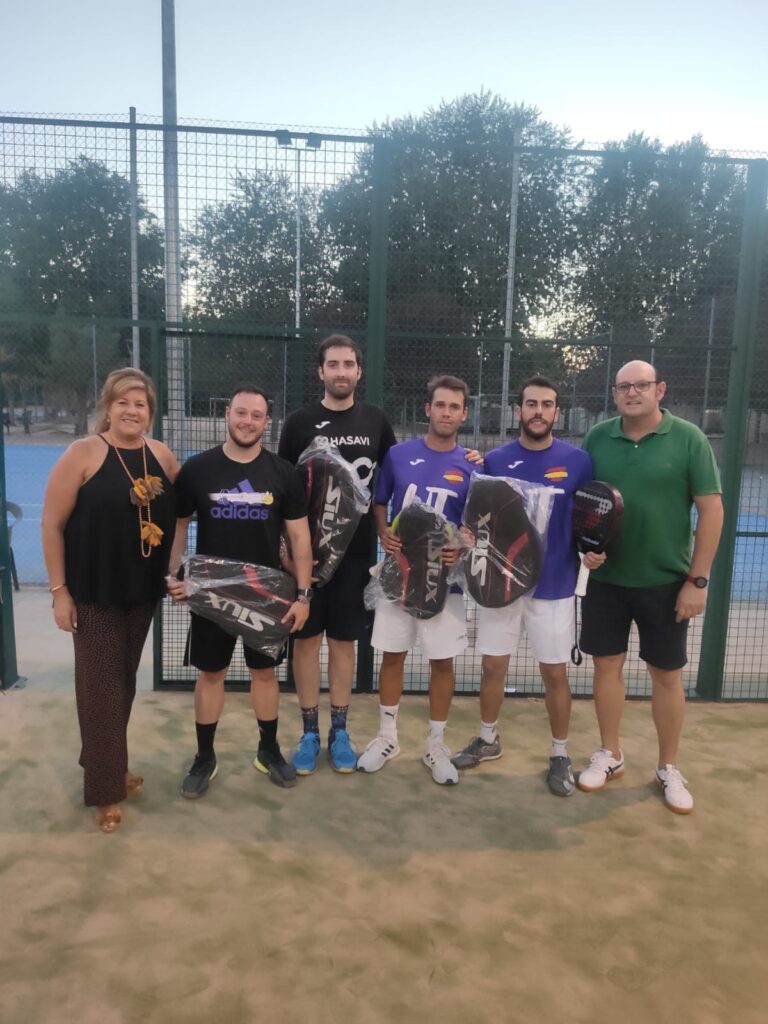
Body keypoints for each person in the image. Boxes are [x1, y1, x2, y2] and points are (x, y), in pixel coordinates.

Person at [577, 360, 723, 814]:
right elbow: (584, 505)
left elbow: (711, 513)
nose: (632, 392)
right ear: (615, 393)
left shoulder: (689, 439)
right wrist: (586, 549)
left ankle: (667, 766)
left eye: (641, 385)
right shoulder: (598, 437)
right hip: (607, 581)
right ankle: (610, 753)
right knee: (606, 668)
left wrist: (697, 581)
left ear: (659, 389)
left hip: (665, 582)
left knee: (667, 676)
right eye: (623, 386)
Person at [41, 368, 178, 833]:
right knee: (99, 690)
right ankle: (105, 791)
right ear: (108, 406)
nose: (131, 410)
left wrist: (175, 568)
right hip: (93, 593)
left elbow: (181, 513)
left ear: (150, 412)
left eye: (140, 403)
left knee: (120, 685)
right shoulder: (82, 453)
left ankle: (107, 763)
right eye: (123, 402)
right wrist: (60, 594)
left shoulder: (161, 455)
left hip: (141, 592)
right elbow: (51, 525)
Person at [452, 375, 603, 795]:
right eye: (531, 404)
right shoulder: (495, 461)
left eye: (547, 404)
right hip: (501, 584)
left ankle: (559, 754)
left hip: (554, 586)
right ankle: (487, 739)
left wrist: (594, 550)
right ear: (519, 410)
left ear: (557, 412)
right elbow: (478, 518)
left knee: (554, 674)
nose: (539, 411)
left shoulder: (579, 461)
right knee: (491, 666)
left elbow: (591, 519)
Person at [168, 385, 313, 797]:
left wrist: (303, 597)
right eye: (241, 413)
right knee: (211, 674)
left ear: (267, 422)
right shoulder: (197, 470)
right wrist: (173, 575)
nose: (248, 421)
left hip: (265, 597)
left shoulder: (284, 474)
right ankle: (204, 757)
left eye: (257, 415)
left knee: (264, 674)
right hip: (211, 595)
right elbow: (179, 526)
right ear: (226, 414)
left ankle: (268, 750)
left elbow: (301, 541)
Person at [278, 335, 397, 774]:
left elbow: (396, 473)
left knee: (343, 642)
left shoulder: (376, 421)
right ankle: (309, 731)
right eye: (333, 364)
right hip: (306, 556)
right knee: (306, 640)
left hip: (355, 555)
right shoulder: (298, 423)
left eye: (349, 363)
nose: (341, 371)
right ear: (321, 371)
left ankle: (340, 731)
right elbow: (283, 487)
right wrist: (285, 550)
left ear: (359, 371)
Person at [357, 375, 473, 786]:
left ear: (464, 413)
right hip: (398, 574)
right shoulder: (398, 455)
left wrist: (461, 544)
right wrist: (381, 531)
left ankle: (435, 744)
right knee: (393, 655)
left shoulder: (473, 465)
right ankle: (387, 737)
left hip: (446, 582)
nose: (446, 413)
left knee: (443, 662)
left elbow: (477, 526)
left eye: (454, 407)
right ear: (427, 409)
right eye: (439, 405)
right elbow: (381, 502)